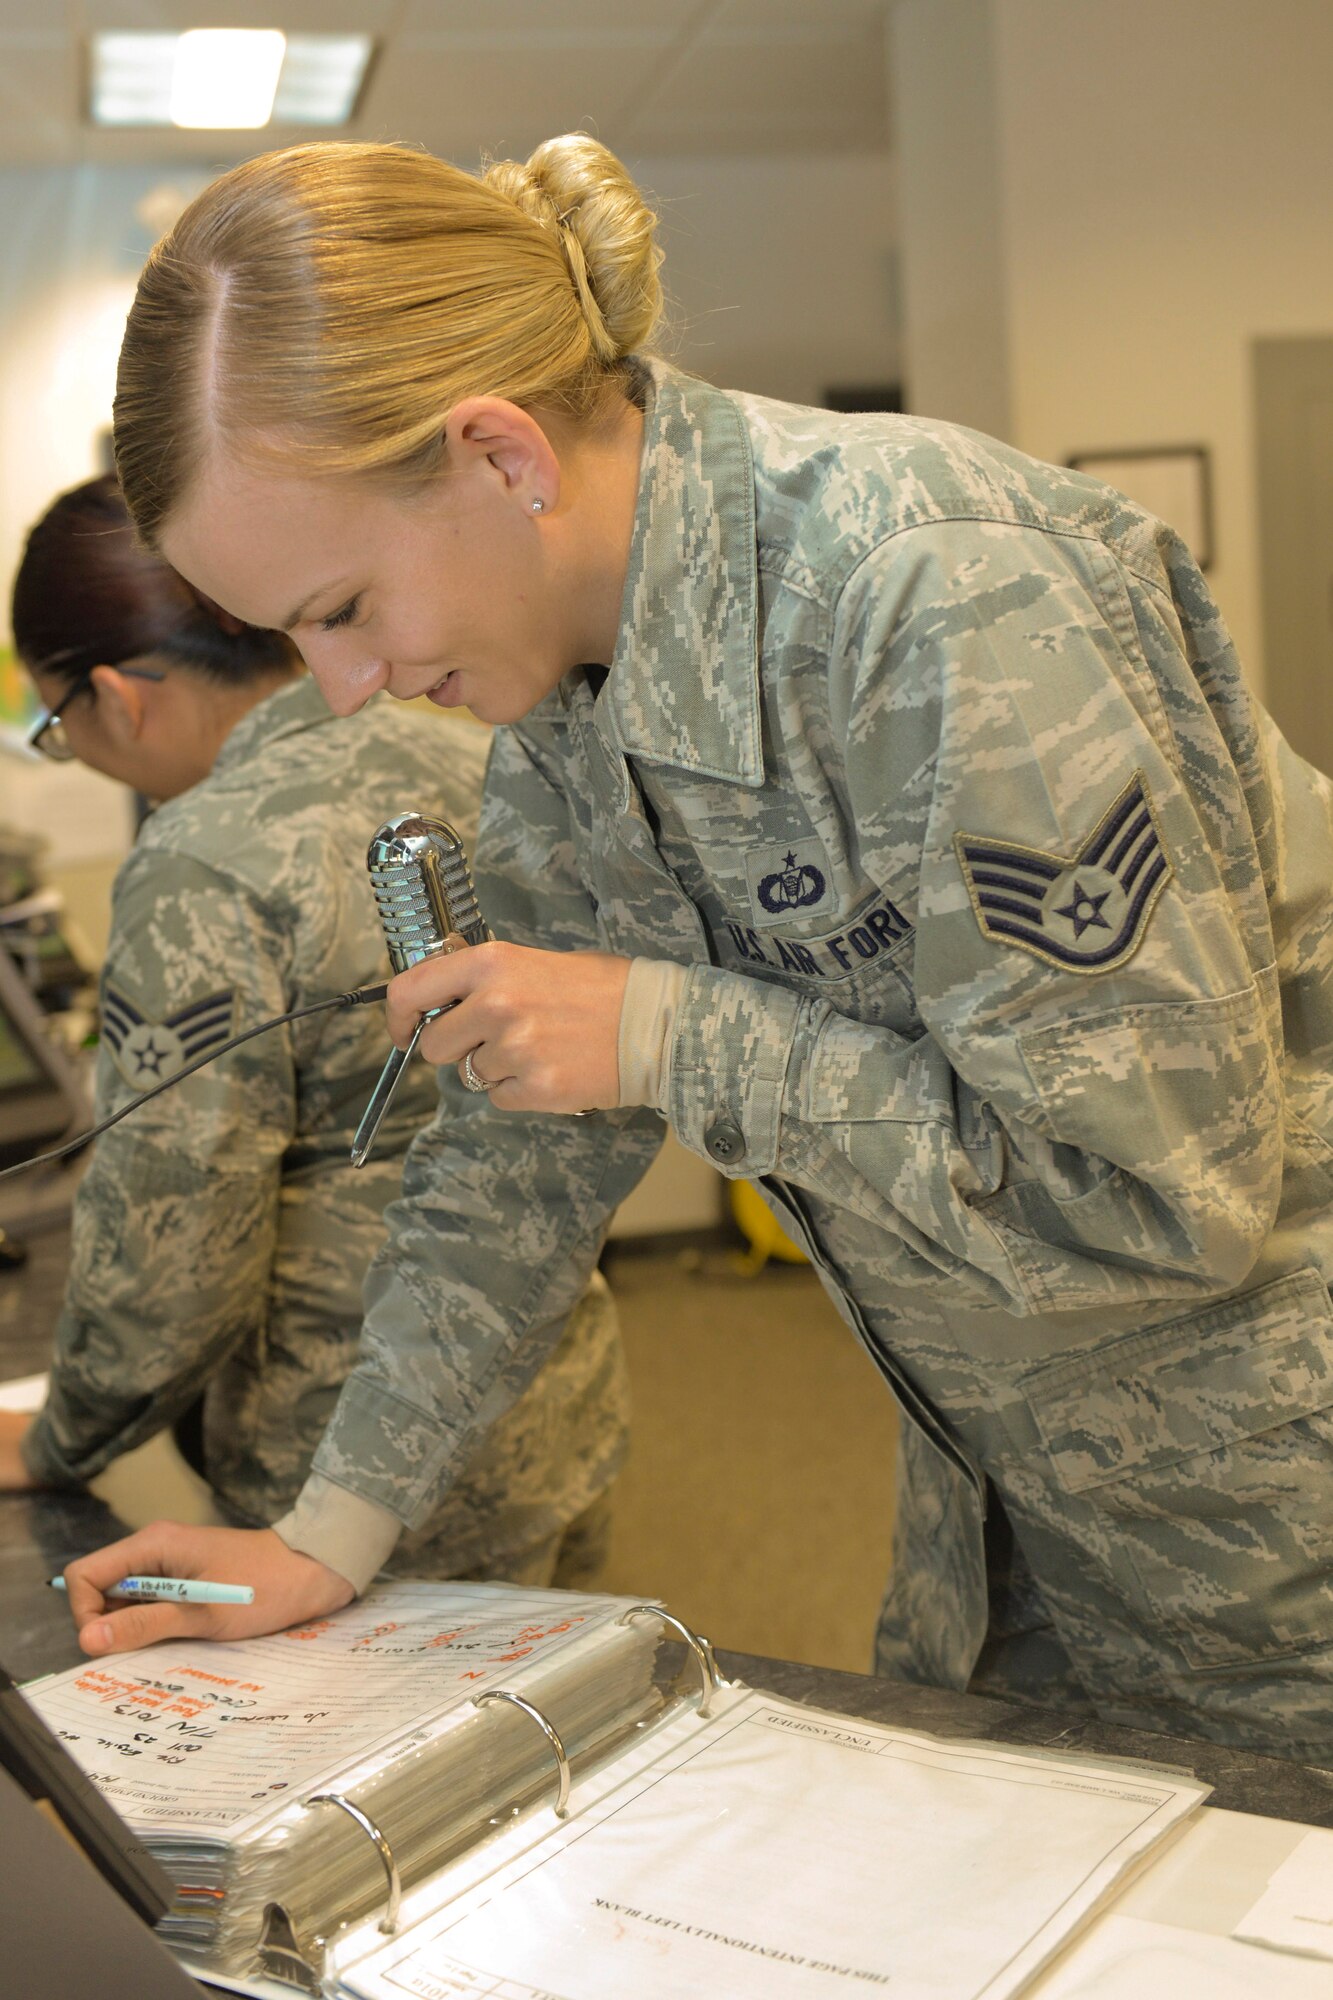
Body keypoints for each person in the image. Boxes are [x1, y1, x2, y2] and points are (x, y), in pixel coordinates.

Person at [66, 134, 1333, 1762]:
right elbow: (516, 1150)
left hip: (1282, 1562)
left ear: (500, 459)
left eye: (343, 607)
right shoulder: (558, 723)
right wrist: (335, 1531)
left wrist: (674, 1036)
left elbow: (1158, 1202)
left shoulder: (942, 606)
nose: (344, 688)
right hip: (1022, 1533)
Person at [1, 472, 628, 1588]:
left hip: (346, 1471)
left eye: (57, 728)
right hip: (550, 1387)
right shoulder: (471, 742)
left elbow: (175, 1246)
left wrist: (59, 1440)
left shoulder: (203, 861)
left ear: (116, 694)